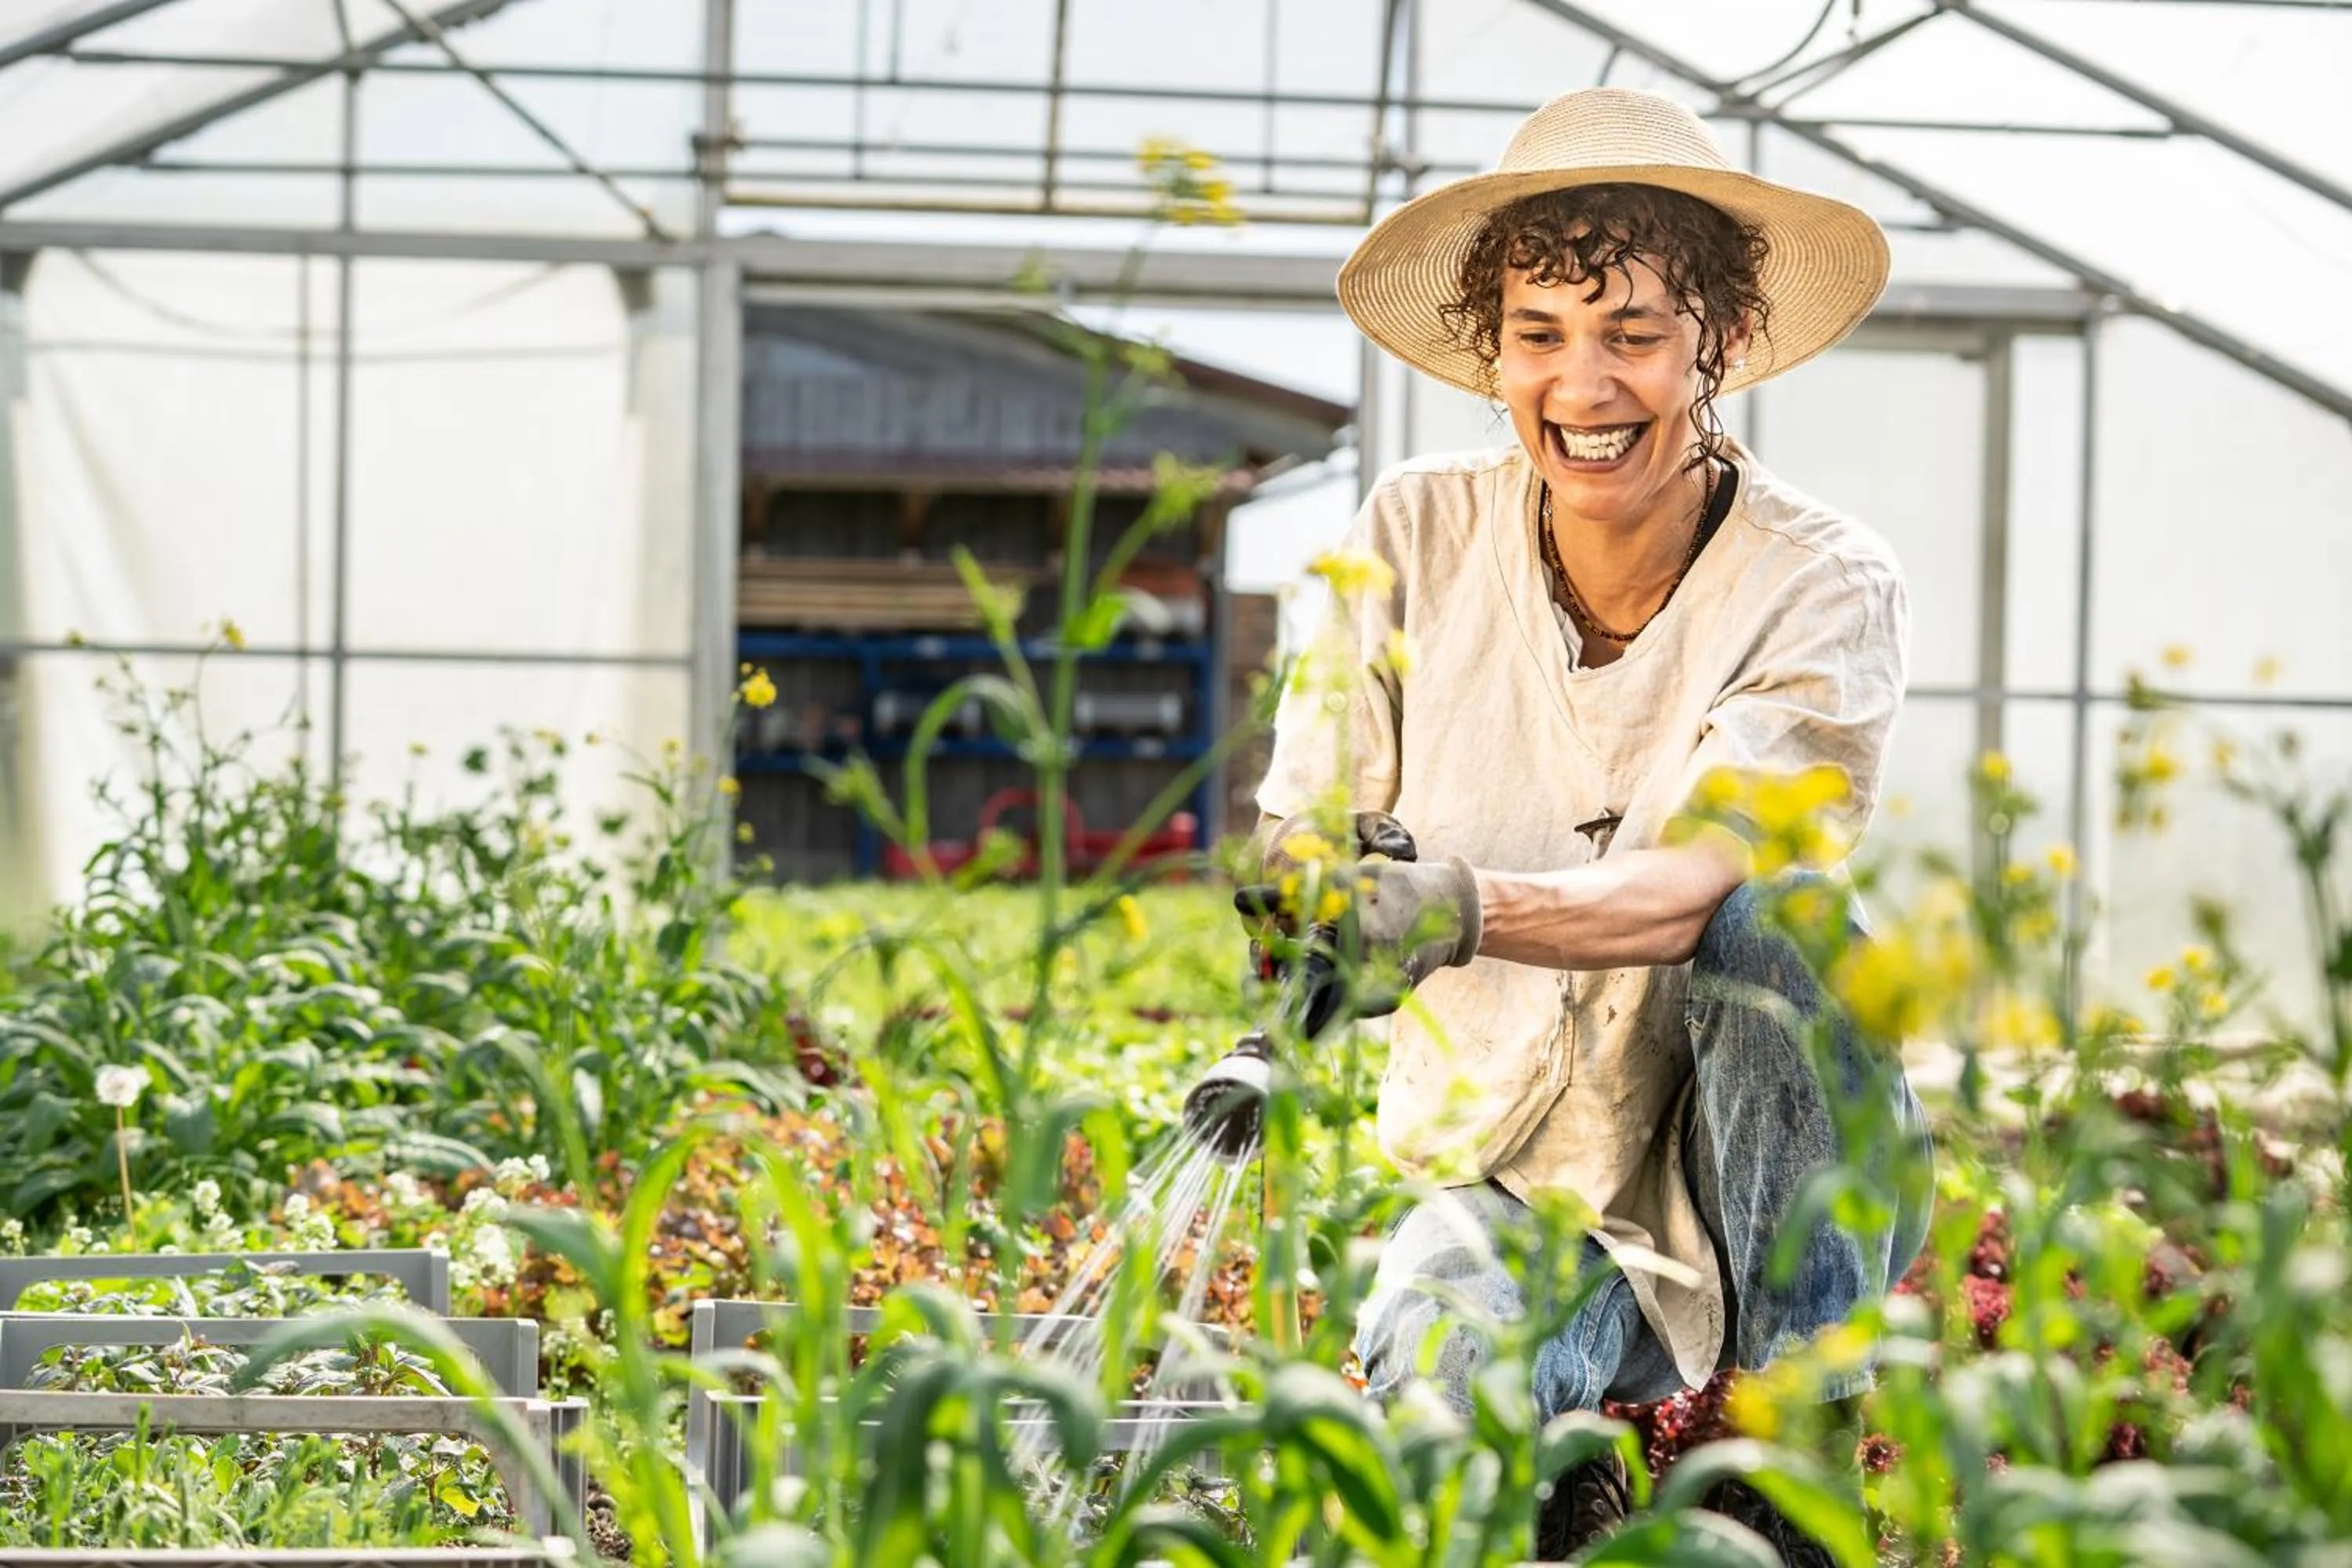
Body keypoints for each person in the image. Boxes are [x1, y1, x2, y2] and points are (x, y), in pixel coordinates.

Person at [1246, 87, 1935, 1562]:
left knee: (1783, 924)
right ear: (1493, 349)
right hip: (1509, 1167)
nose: (1583, 384)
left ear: (1717, 341)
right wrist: (1310, 889)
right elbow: (1308, 815)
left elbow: (1694, 886)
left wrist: (1456, 908)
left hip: (1748, 1178)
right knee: (1439, 1403)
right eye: (1541, 333)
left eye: (1633, 334)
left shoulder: (1820, 582)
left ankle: (1790, 1446)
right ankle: (1572, 1473)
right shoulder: (1415, 533)